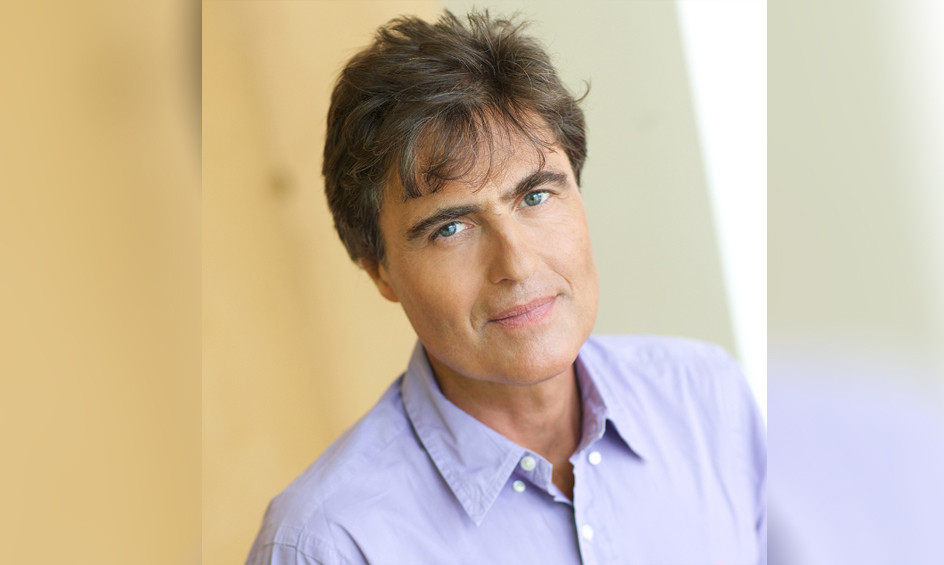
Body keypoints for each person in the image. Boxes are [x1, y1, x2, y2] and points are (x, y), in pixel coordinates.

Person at [247, 9, 765, 565]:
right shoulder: (327, 544)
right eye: (451, 228)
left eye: (535, 197)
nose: (516, 264)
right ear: (378, 269)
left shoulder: (708, 399)